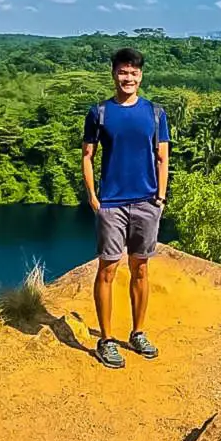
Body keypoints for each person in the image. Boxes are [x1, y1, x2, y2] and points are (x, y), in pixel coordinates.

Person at [82, 47, 170, 369]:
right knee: (107, 269)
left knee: (141, 269)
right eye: (123, 72)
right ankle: (106, 339)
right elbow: (88, 156)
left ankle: (138, 332)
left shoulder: (156, 114)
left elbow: (163, 158)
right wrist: (93, 197)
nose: (128, 77)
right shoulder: (99, 113)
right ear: (113, 74)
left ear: (141, 76)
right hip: (112, 204)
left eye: (133, 72)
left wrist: (160, 197)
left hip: (146, 202)